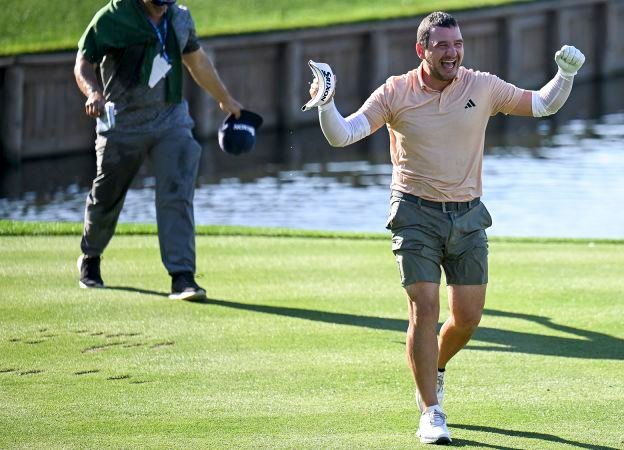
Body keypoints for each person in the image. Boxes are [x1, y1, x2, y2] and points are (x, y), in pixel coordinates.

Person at [308, 11, 585, 444]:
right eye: (441, 45)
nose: (452, 52)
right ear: (422, 50)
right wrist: (326, 104)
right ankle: (431, 412)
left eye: (456, 44)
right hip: (414, 212)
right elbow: (343, 135)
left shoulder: (482, 86)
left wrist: (564, 75)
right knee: (425, 308)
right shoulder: (395, 92)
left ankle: (433, 368)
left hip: (469, 214)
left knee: (468, 317)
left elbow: (543, 104)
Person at [74, 0, 244, 301]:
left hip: (171, 119)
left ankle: (182, 277)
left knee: (177, 193)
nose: (163, 8)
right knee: (107, 196)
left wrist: (225, 99)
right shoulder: (113, 17)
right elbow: (83, 64)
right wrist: (93, 92)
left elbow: (197, 62)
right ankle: (91, 256)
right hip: (123, 123)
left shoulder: (180, 18)